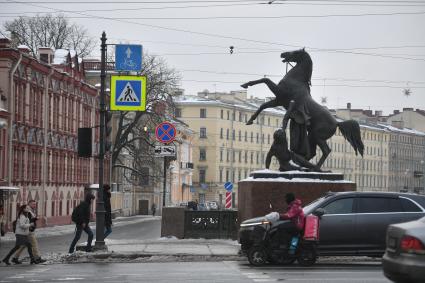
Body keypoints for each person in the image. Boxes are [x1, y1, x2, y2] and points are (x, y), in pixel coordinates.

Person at [11, 200, 46, 264]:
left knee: (23, 245)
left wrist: (34, 219)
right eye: (33, 204)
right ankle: (37, 258)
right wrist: (33, 221)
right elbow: (27, 222)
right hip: (29, 231)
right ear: (29, 204)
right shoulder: (28, 212)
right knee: (34, 244)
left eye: (35, 204)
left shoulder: (30, 211)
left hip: (28, 231)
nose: (34, 206)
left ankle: (15, 258)